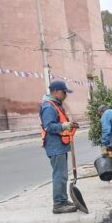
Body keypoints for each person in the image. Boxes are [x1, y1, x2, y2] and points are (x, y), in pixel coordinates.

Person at [39, 80, 79, 214]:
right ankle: (58, 204)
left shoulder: (55, 105)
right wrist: (64, 126)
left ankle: (62, 199)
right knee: (59, 175)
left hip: (60, 145)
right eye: (64, 92)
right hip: (55, 146)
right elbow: (49, 126)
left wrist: (69, 125)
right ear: (56, 91)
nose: (66, 95)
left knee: (62, 175)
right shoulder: (48, 107)